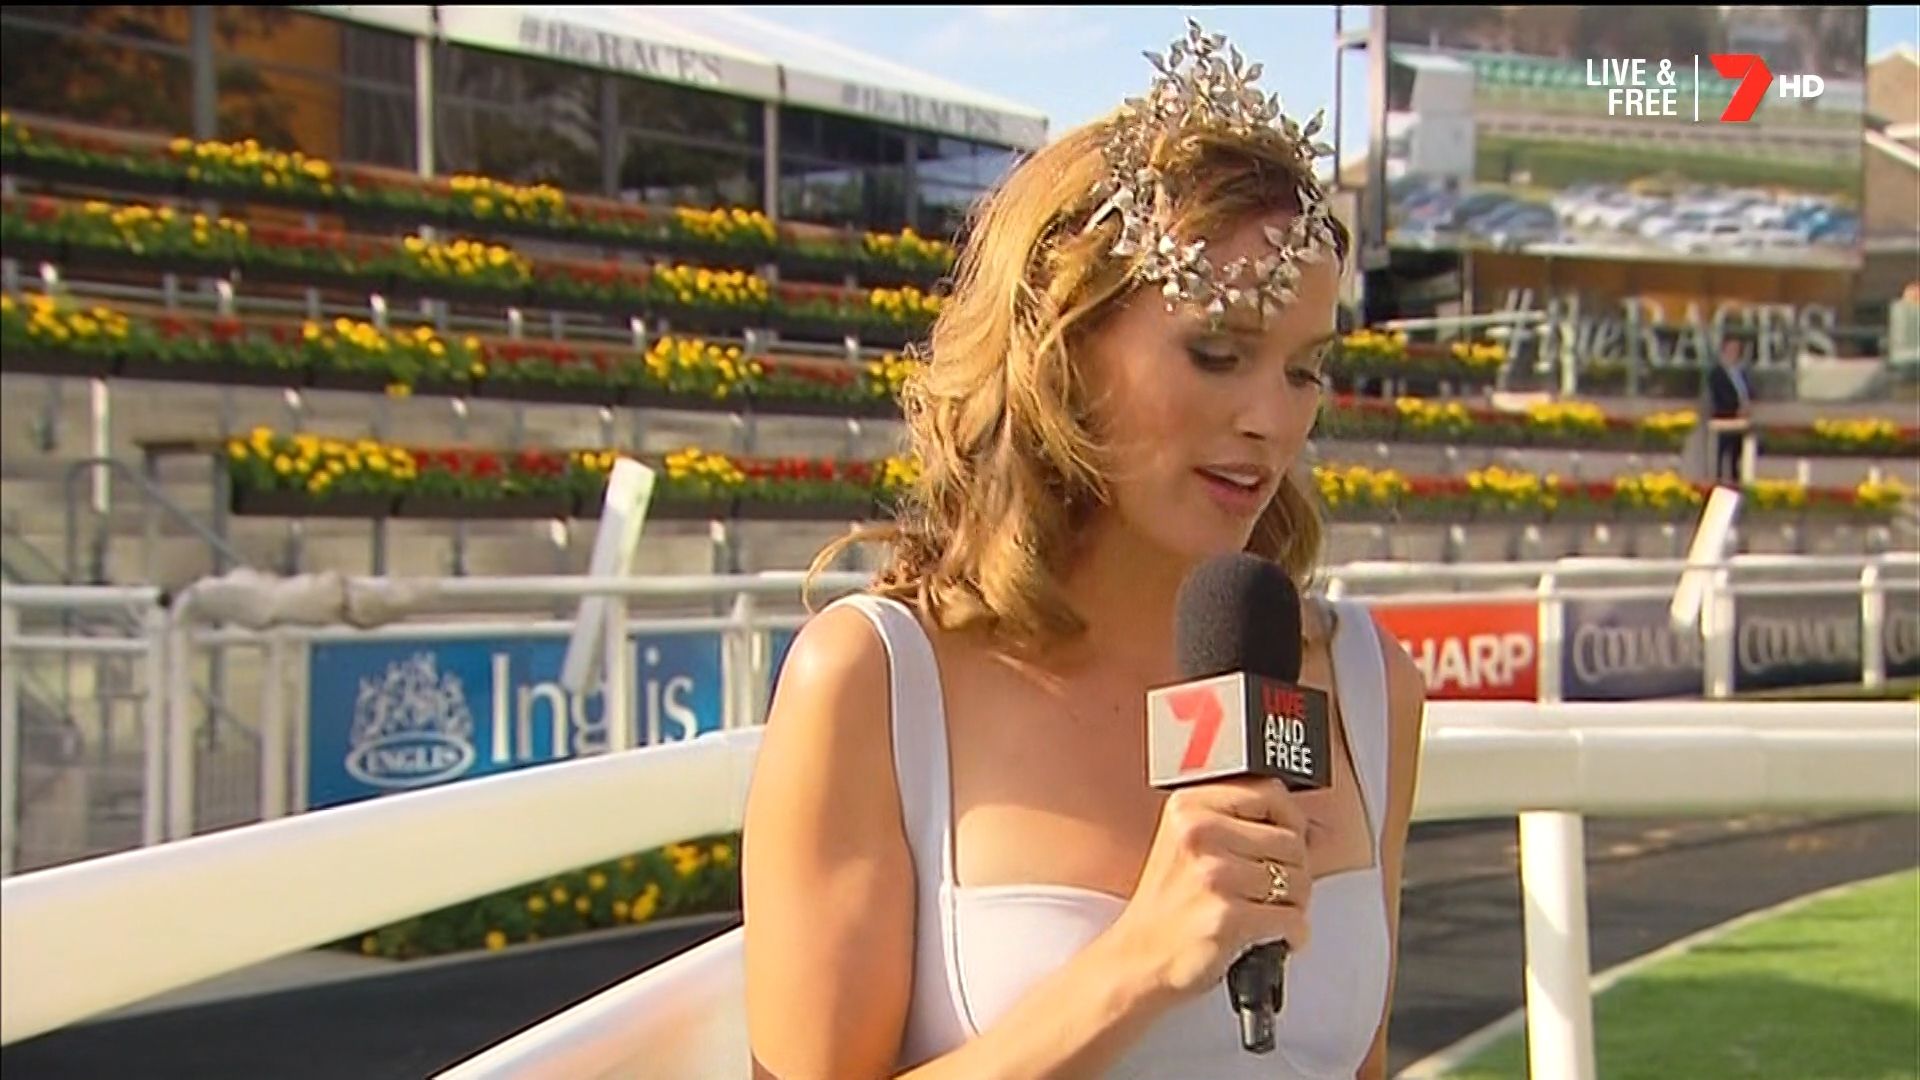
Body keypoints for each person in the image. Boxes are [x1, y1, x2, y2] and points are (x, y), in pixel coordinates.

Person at [742, 21, 1427, 1080]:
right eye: (1217, 352)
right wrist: (1137, 964)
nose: (1270, 420)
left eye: (1304, 371)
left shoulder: (1371, 686)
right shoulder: (873, 683)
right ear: (1061, 348)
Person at [1706, 336, 1752, 484]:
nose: (1734, 353)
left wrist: (1746, 406)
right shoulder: (1717, 373)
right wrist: (1736, 408)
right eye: (1731, 350)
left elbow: (1747, 392)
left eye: (1737, 350)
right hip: (1724, 419)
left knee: (1737, 456)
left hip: (1740, 421)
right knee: (1721, 454)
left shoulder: (1741, 372)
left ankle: (1736, 481)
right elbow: (1720, 395)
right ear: (1724, 351)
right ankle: (1718, 481)